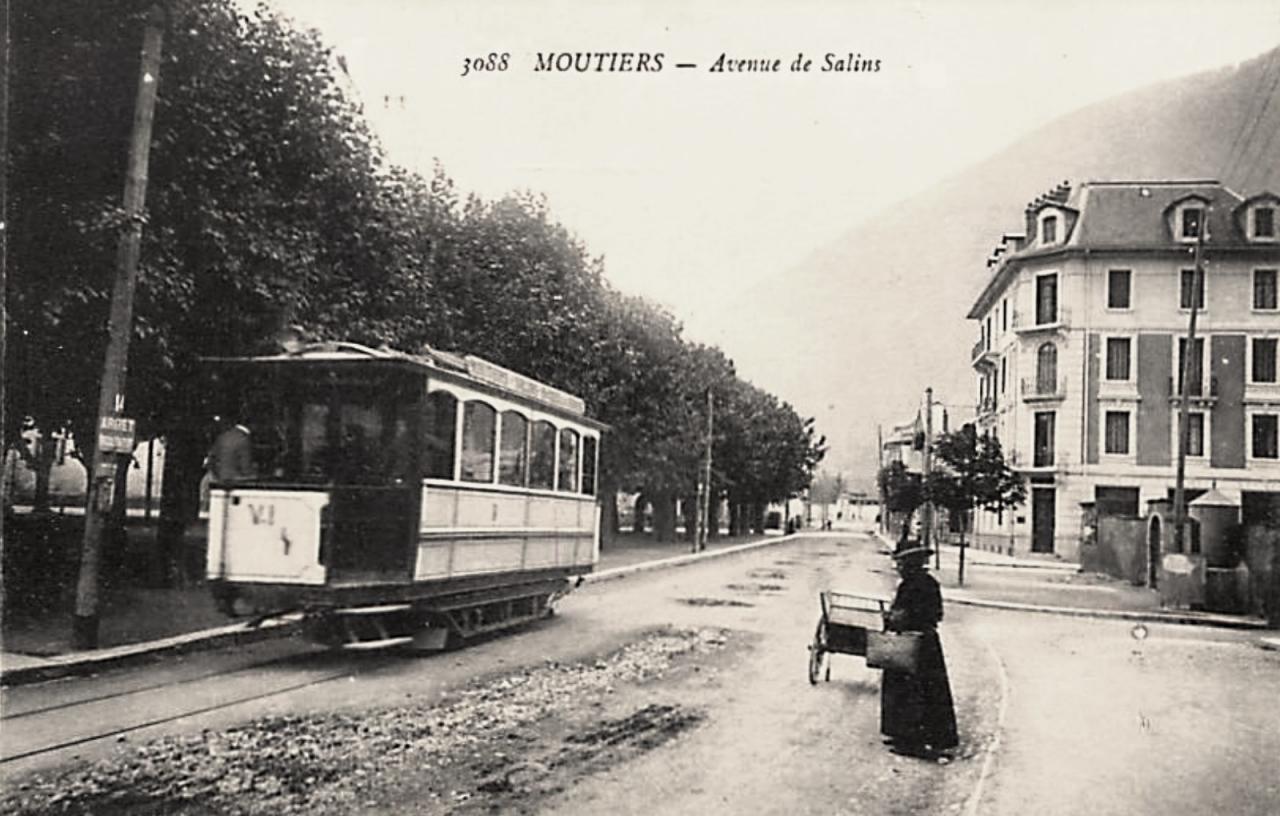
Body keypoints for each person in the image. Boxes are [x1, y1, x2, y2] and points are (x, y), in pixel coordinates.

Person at [880, 538, 959, 761]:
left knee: (908, 690)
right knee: (929, 690)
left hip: (912, 642)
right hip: (927, 642)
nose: (899, 567)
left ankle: (911, 740)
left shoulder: (910, 584)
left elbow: (903, 615)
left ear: (911, 563)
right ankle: (925, 735)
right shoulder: (930, 582)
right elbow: (937, 614)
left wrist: (892, 619)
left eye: (902, 563)